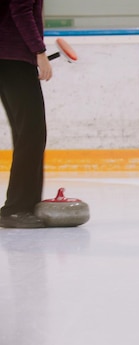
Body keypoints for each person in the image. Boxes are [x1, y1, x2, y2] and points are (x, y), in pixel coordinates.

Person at [0, 0, 52, 228]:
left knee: (24, 132)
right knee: (31, 132)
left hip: (7, 57)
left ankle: (21, 206)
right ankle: (17, 208)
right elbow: (21, 10)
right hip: (13, 58)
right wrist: (39, 51)